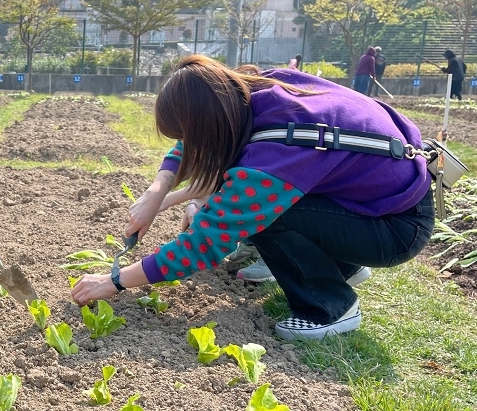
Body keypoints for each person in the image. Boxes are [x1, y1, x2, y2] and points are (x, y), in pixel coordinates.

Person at [72, 55, 434, 340]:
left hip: (396, 229)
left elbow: (204, 244)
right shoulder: (258, 88)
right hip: (374, 207)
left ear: (211, 125)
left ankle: (331, 308)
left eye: (192, 135)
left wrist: (115, 280)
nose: (190, 145)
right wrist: (158, 191)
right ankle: (342, 268)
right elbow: (192, 145)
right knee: (260, 207)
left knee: (270, 217)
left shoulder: (276, 153)